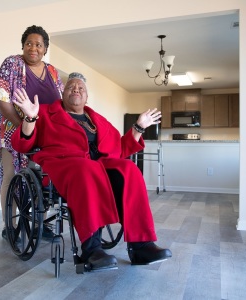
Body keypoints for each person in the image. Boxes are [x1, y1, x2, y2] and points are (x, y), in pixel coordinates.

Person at [10, 72, 172, 269]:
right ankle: (91, 249)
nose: (76, 90)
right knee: (87, 168)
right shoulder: (44, 112)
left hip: (99, 166)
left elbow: (119, 149)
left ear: (86, 97)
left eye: (81, 88)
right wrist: (30, 117)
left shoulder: (97, 119)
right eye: (71, 87)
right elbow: (23, 145)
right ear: (62, 93)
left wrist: (138, 127)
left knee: (130, 169)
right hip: (63, 166)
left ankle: (141, 246)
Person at [0, 25, 64, 241]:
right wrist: (23, 125)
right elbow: (0, 97)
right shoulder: (12, 63)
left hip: (45, 135)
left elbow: (61, 105)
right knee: (12, 179)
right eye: (29, 43)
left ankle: (40, 224)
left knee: (43, 180)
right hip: (12, 130)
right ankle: (9, 226)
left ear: (45, 48)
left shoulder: (53, 72)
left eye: (38, 44)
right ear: (23, 45)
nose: (33, 48)